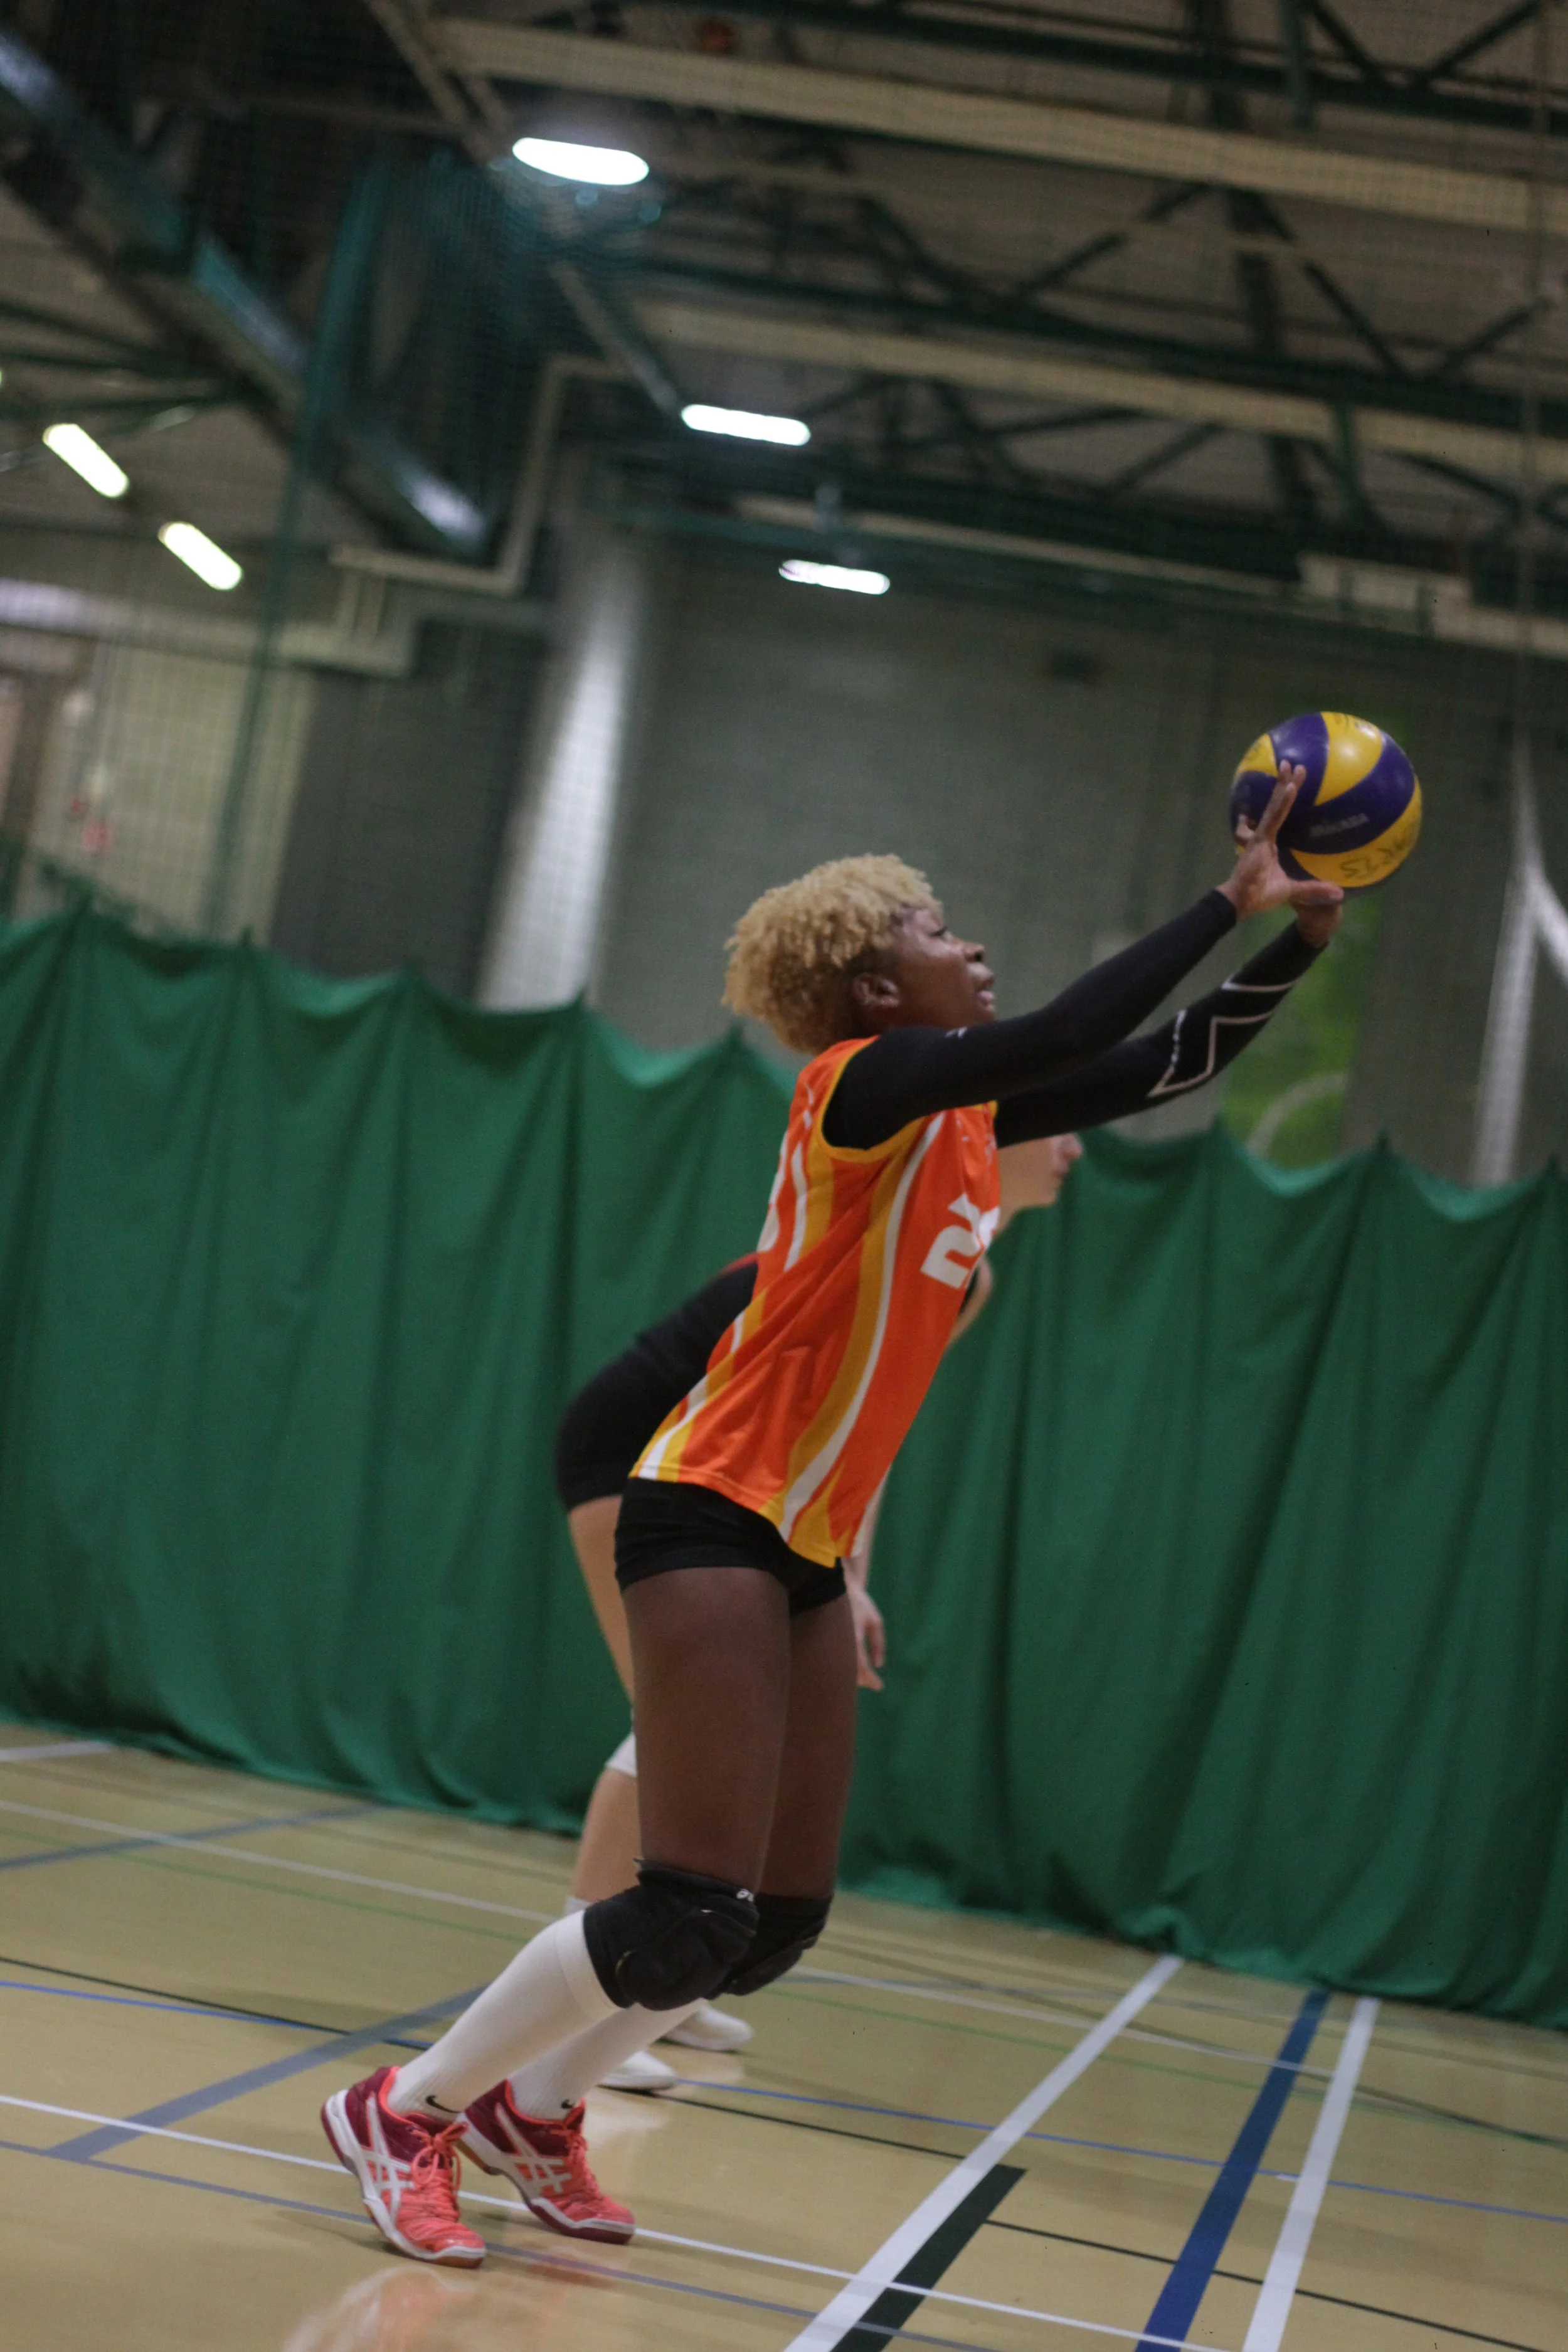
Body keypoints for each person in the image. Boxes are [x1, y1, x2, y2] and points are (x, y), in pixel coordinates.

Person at [322, 771, 1340, 2267]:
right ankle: (402, 2111)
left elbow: (1150, 1064)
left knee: (770, 1920)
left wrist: (1295, 952)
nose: (969, 942)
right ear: (875, 984)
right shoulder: (855, 1088)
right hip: (706, 1508)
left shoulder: (965, 1130)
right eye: (937, 927)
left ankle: (531, 2113)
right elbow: (1067, 1031)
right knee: (679, 1905)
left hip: (797, 1543)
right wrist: (1224, 899)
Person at [556, 1131, 1083, 2096]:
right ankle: (588, 1992)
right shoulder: (897, 1233)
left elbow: (859, 1426)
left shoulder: (965, 1271)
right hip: (644, 1447)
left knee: (722, 1739)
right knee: (668, 1727)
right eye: (1057, 1125)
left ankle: (655, 1973)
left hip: (748, 1478)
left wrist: (842, 1578)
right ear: (990, 1140)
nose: (1077, 1146)